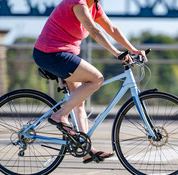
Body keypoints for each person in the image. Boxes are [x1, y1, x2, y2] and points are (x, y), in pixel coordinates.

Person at [33, 0, 147, 163]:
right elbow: (93, 30)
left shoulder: (95, 7)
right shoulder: (77, 3)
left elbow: (112, 29)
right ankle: (59, 115)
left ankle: (86, 149)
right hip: (51, 53)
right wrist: (116, 53)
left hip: (66, 54)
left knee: (78, 102)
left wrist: (133, 49)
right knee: (96, 79)